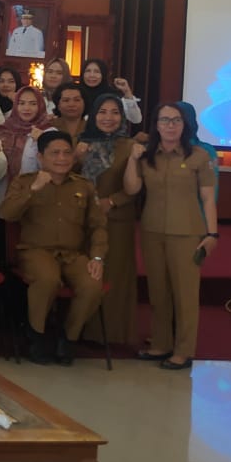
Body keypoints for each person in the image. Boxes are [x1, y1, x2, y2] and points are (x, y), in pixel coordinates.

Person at [124, 103, 218, 371]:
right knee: (158, 292)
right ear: (156, 125)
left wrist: (212, 233)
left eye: (176, 120)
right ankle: (161, 343)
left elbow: (208, 198)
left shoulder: (199, 156)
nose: (170, 125)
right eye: (164, 120)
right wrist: (132, 159)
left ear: (184, 125)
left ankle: (184, 350)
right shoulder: (146, 155)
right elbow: (131, 189)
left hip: (187, 233)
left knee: (185, 295)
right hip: (152, 231)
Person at [0, 131, 107, 365]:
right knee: (47, 279)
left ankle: (68, 338)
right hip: (35, 251)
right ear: (40, 157)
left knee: (92, 284)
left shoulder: (84, 186)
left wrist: (97, 257)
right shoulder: (25, 181)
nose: (62, 158)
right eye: (55, 153)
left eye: (67, 153)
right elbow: (7, 214)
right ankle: (36, 335)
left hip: (73, 254)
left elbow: (98, 226)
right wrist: (33, 190)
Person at [76, 94, 140, 347]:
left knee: (115, 275)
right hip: (85, 221)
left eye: (114, 112)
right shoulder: (82, 143)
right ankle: (81, 330)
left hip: (116, 219)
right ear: (93, 115)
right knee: (87, 274)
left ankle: (112, 334)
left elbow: (136, 187)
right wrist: (76, 158)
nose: (108, 118)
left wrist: (112, 201)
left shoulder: (130, 146)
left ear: (122, 117)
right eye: (102, 112)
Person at [0, 85, 51, 198]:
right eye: (21, 103)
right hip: (3, 193)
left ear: (40, 106)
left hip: (34, 195)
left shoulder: (48, 132)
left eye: (33, 104)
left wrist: (41, 142)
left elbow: (51, 167)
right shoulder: (4, 130)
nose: (27, 108)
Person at [79, 59, 144, 125]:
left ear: (103, 74)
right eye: (88, 71)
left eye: (97, 72)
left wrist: (127, 92)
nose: (92, 75)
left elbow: (136, 119)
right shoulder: (76, 93)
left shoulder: (113, 96)